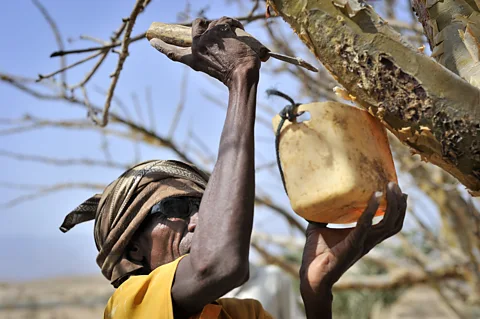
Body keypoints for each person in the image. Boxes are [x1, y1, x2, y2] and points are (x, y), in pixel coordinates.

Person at [59, 17, 407, 319]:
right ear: (134, 247)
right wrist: (240, 79)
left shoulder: (242, 315)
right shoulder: (128, 307)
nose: (200, 218)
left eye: (203, 204)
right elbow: (218, 265)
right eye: (178, 208)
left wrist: (317, 291)